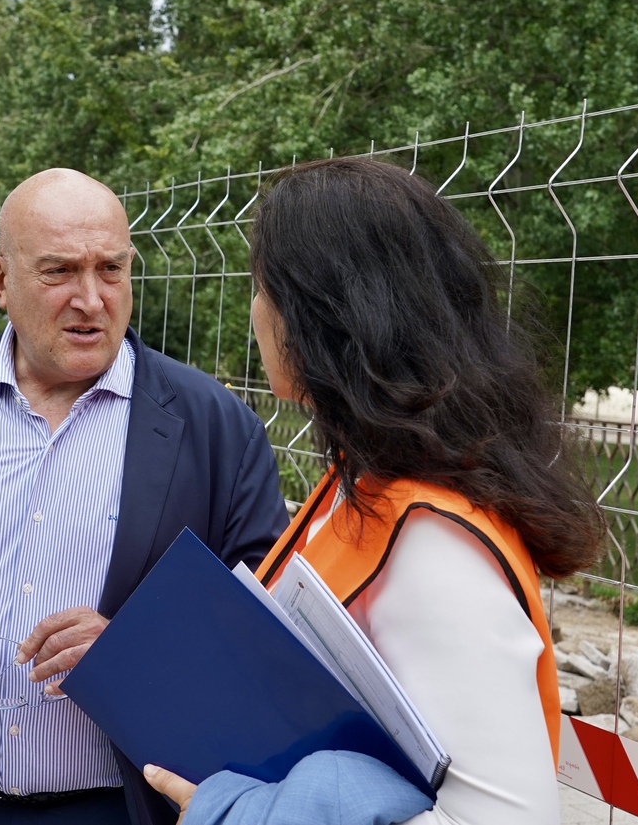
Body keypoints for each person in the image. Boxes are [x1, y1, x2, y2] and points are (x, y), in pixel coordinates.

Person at [0, 168, 290, 825]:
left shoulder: (215, 429)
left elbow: (266, 633)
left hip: (129, 807)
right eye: (60, 270)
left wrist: (132, 654)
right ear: (0, 279)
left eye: (111, 269)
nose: (91, 299)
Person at [143, 159, 605, 825]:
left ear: (320, 317)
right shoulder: (362, 489)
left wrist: (237, 815)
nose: (255, 310)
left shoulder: (433, 548)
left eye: (263, 287)